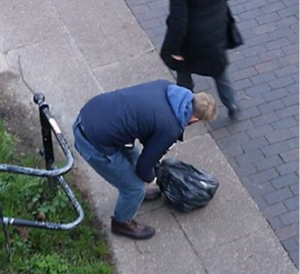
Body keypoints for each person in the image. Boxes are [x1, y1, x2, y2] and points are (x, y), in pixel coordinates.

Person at [72, 79, 217, 240]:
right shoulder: (170, 127)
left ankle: (137, 196)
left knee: (133, 155)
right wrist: (152, 178)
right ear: (195, 120)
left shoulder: (166, 86)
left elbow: (147, 128)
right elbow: (143, 167)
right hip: (92, 142)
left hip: (92, 113)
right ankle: (122, 223)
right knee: (134, 188)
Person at [160, 0, 241, 119]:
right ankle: (231, 104)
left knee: (183, 72)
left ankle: (185, 106)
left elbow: (178, 21)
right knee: (219, 73)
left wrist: (173, 48)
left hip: (190, 40)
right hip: (215, 33)